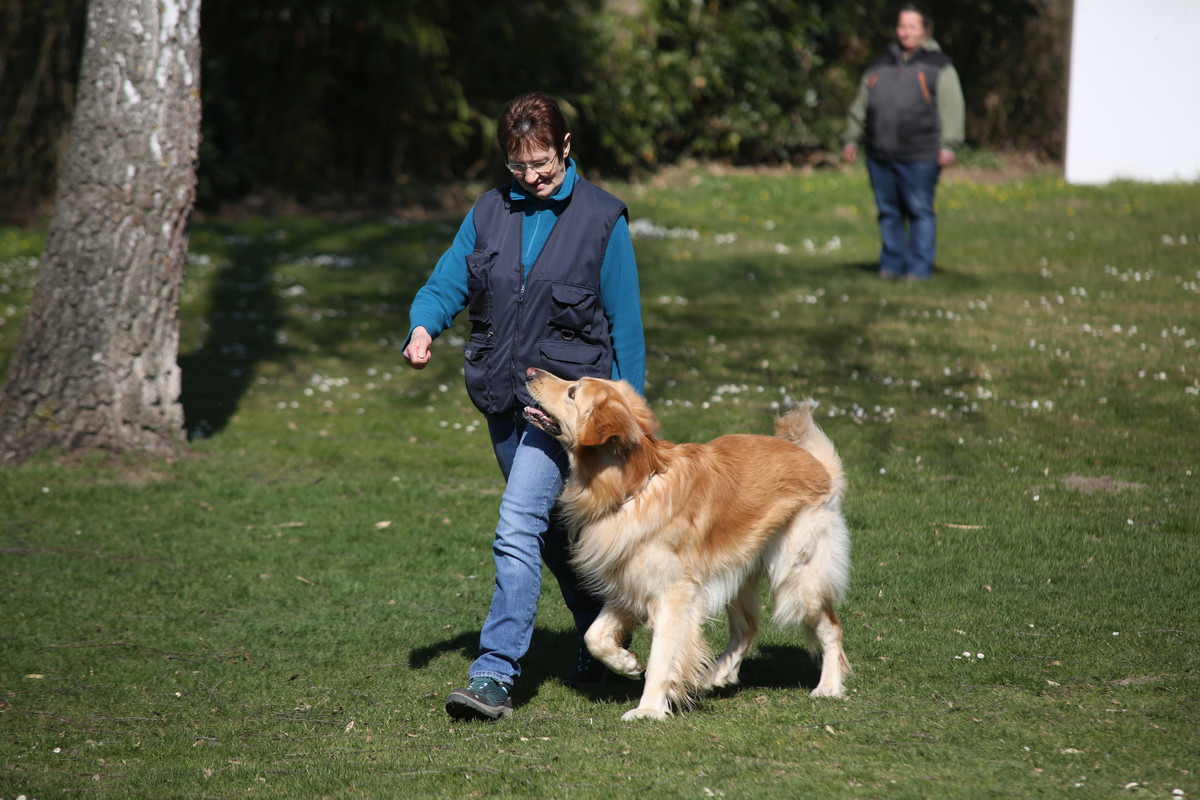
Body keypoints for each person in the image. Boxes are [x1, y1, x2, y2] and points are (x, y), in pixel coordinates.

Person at [402, 91, 646, 722]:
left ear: (566, 148)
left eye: (544, 166)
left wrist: (625, 426)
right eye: (520, 169)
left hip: (566, 416)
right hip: (502, 400)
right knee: (553, 535)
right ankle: (601, 632)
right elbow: (449, 278)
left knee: (515, 527)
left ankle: (493, 674)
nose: (533, 179)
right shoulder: (489, 212)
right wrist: (424, 324)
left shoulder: (602, 220)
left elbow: (627, 329)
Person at [842, 3, 965, 281]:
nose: (905, 32)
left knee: (919, 211)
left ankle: (919, 270)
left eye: (912, 26)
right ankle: (891, 266)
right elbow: (860, 105)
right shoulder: (880, 63)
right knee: (888, 212)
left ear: (925, 30)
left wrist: (949, 144)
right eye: (901, 26)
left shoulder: (938, 65)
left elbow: (952, 107)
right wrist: (851, 138)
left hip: (921, 153)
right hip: (880, 152)